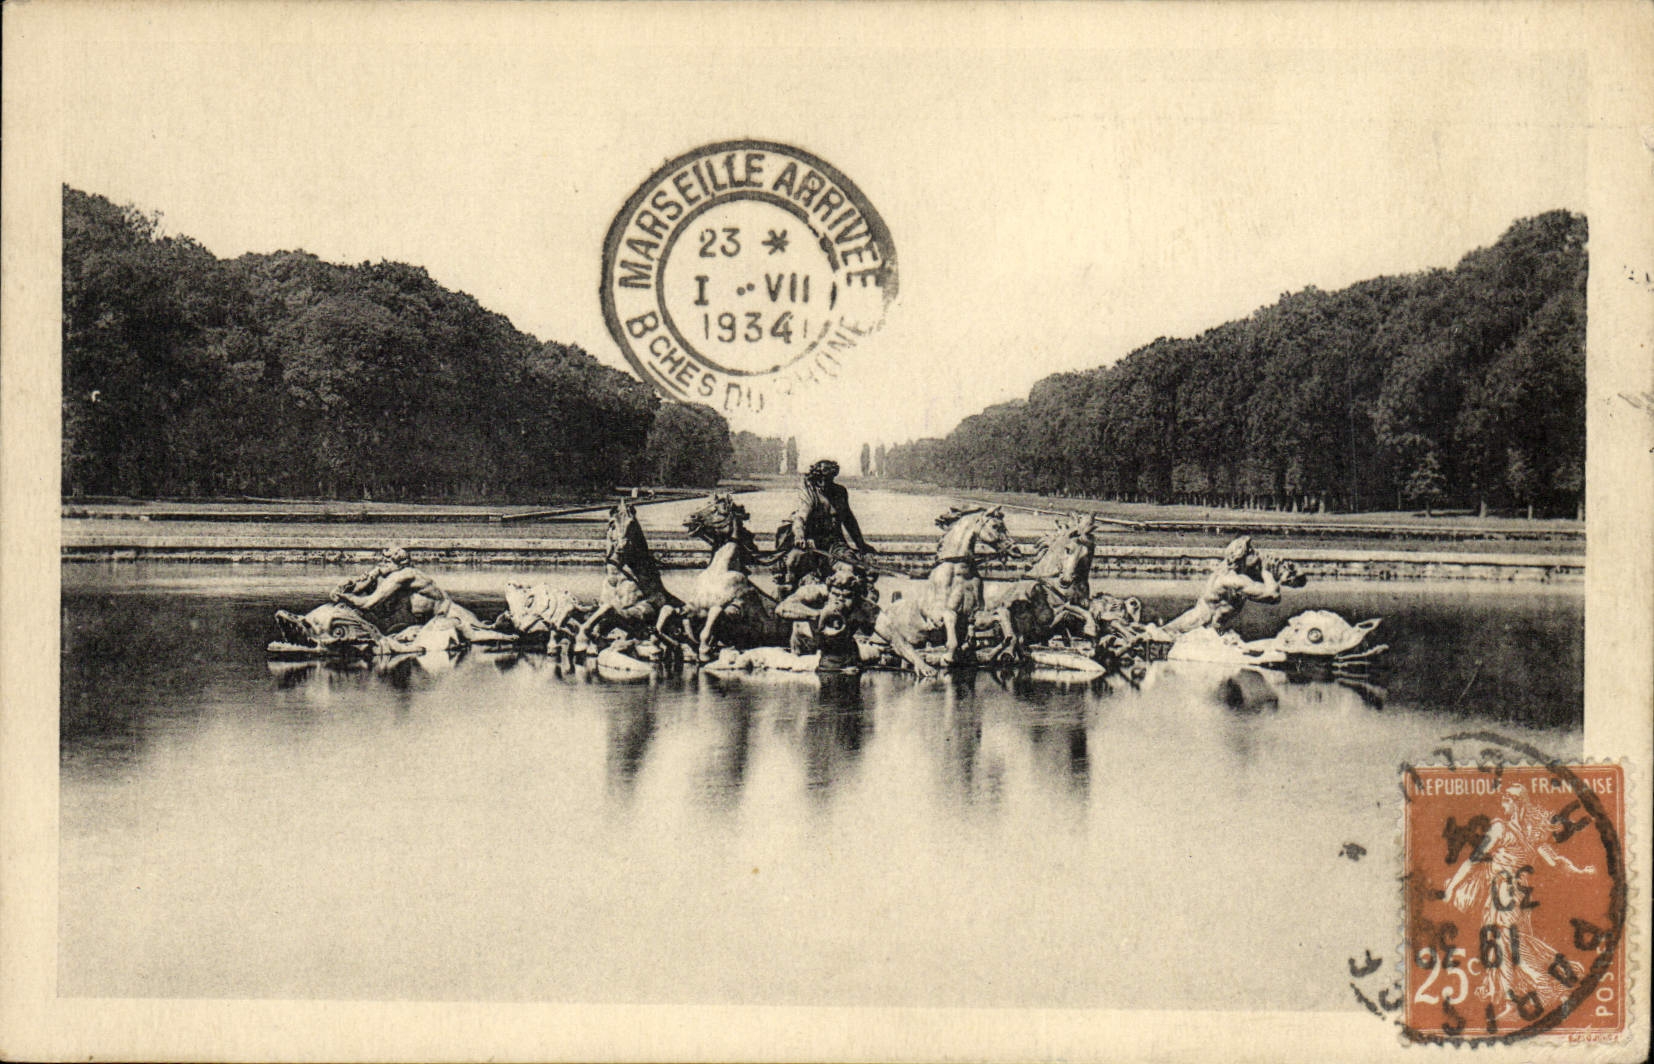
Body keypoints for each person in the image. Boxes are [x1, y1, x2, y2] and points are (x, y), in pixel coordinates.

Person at [1440, 784, 1595, 1018]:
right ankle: (1548, 979)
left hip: (1502, 894)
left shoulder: (1500, 829)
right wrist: (1580, 871)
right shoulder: (1533, 834)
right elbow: (1555, 861)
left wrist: (1452, 886)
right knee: (1516, 941)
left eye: (1506, 801)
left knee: (1507, 944)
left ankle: (1533, 988)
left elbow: (1473, 860)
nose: (1503, 805)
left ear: (1514, 804)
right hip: (1521, 896)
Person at [334, 546, 508, 643]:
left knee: (485, 636)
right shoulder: (394, 575)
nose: (381, 564)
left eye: (386, 561)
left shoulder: (403, 576)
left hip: (451, 617)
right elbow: (372, 602)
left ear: (398, 563)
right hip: (435, 621)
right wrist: (367, 578)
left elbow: (368, 604)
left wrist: (345, 596)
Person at [774, 459, 876, 596]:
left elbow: (849, 521)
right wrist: (799, 536)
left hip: (836, 545)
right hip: (813, 545)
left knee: (849, 567)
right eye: (821, 479)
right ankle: (789, 590)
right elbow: (800, 518)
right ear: (816, 478)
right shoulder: (810, 494)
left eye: (828, 479)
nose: (824, 483)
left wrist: (861, 544)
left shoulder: (840, 493)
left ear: (833, 477)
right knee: (793, 562)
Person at [1162, 535, 1281, 635]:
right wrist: (1267, 571)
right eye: (1252, 551)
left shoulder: (1226, 571)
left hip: (1196, 624)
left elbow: (1267, 586)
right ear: (1242, 555)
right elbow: (1273, 595)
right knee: (1162, 634)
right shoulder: (1232, 580)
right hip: (1194, 628)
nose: (1257, 554)